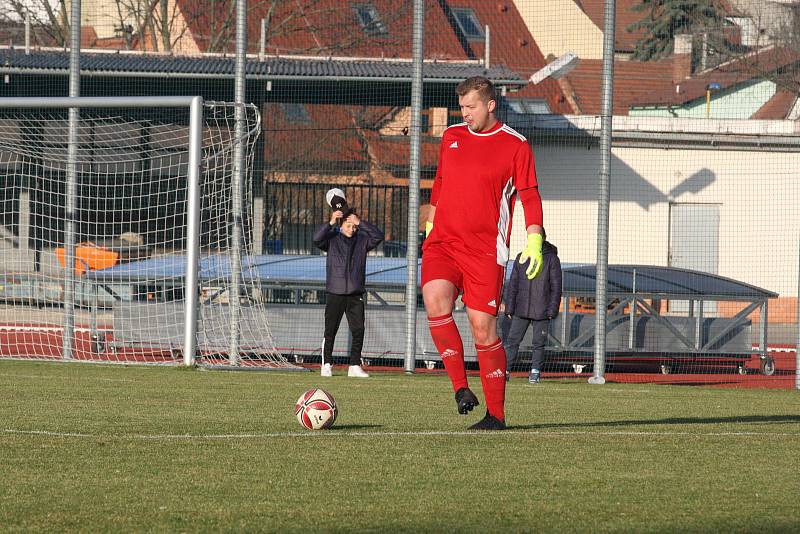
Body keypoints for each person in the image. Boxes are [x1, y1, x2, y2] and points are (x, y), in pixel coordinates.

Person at [422, 76, 544, 430]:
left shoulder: (516, 145)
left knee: (482, 330)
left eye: (471, 107)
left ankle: (496, 416)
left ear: (490, 105)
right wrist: (432, 219)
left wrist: (534, 238)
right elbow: (441, 181)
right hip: (444, 243)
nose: (465, 114)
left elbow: (530, 195)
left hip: (484, 252)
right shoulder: (452, 137)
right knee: (435, 301)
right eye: (461, 107)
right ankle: (461, 389)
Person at [313, 207, 384, 378]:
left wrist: (360, 222)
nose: (351, 229)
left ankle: (354, 365)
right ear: (341, 225)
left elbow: (378, 236)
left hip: (355, 292)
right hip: (335, 292)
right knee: (330, 330)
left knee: (358, 329)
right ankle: (327, 364)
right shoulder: (331, 239)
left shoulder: (362, 241)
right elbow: (316, 239)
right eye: (348, 225)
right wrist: (330, 222)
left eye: (354, 226)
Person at [502, 229, 562, 384]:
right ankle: (505, 370)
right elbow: (513, 284)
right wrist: (510, 307)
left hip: (541, 311)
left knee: (538, 343)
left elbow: (556, 287)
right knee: (512, 341)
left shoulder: (552, 259)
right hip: (521, 309)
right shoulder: (521, 257)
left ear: (543, 238)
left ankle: (535, 372)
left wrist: (552, 310)